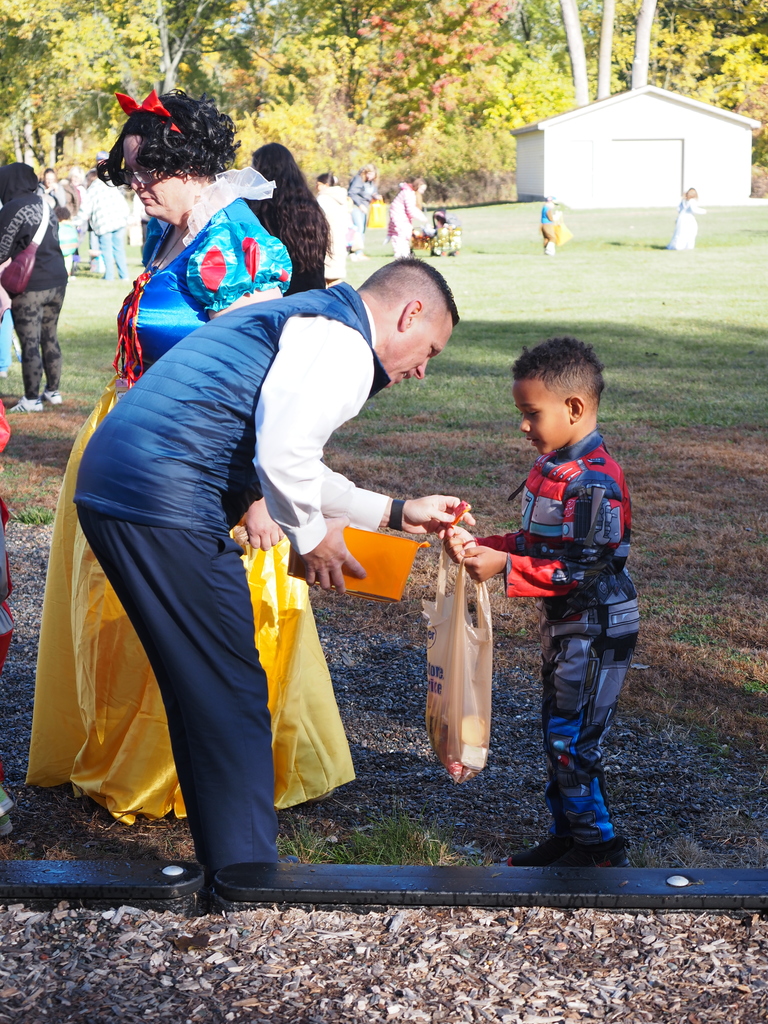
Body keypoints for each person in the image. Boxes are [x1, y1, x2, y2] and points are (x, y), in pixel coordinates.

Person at [74, 257, 465, 876]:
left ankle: (228, 862)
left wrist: (392, 510)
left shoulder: (306, 317)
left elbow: (285, 454)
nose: (420, 370)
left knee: (200, 688)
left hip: (117, 484)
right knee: (230, 693)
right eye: (430, 351)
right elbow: (283, 454)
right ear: (408, 312)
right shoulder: (339, 339)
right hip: (163, 497)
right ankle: (246, 876)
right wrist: (311, 539)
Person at [28, 90, 353, 825]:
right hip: (134, 439)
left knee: (194, 625)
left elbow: (264, 381)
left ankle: (186, 778)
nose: (136, 188)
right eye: (132, 175)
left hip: (199, 457)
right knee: (118, 613)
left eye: (148, 174)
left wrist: (252, 494)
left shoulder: (239, 248)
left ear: (191, 167)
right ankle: (129, 756)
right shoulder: (169, 233)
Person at [444, 336, 639, 869]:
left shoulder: (593, 481)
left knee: (571, 740)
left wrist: (506, 566)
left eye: (531, 414)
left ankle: (600, 851)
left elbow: (589, 564)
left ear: (574, 408)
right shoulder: (553, 469)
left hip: (596, 626)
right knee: (556, 732)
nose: (523, 426)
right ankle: (569, 836)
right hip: (567, 627)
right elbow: (540, 545)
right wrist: (490, 546)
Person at [0, 163, 67, 413]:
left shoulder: (12, 208)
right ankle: (53, 391)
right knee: (49, 335)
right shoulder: (44, 204)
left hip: (29, 286)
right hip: (58, 280)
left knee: (28, 339)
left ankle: (31, 399)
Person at [250, 144, 327, 294]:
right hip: (314, 295)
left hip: (279, 300)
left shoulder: (259, 209)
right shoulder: (310, 207)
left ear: (262, 171)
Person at [75, 169, 130, 281]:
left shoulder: (92, 189)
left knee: (107, 251)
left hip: (104, 223)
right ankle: (124, 276)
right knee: (119, 249)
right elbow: (122, 201)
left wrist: (75, 222)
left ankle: (109, 276)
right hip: (119, 220)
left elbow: (85, 209)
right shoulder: (110, 184)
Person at [315, 173, 349, 286]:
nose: (316, 187)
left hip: (327, 239)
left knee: (328, 277)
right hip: (339, 236)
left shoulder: (323, 199)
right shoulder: (341, 198)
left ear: (326, 185)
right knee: (334, 275)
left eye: (318, 184)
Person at [387, 178, 428, 260]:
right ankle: (400, 253)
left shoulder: (408, 192)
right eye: (422, 189)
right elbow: (410, 209)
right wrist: (422, 218)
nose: (423, 192)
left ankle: (403, 253)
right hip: (398, 216)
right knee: (402, 234)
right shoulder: (408, 193)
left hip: (399, 216)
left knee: (402, 234)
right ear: (418, 186)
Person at [348, 163, 381, 260]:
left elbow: (370, 192)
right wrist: (360, 205)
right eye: (369, 174)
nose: (371, 176)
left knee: (362, 230)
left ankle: (357, 251)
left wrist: (375, 196)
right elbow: (352, 193)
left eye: (373, 174)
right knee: (359, 229)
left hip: (365, 207)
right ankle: (358, 252)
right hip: (356, 207)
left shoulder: (370, 182)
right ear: (365, 172)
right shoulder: (358, 179)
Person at [56, 207, 80, 276]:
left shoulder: (58, 226)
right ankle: (68, 275)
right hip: (71, 249)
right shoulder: (72, 226)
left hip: (60, 248)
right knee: (68, 262)